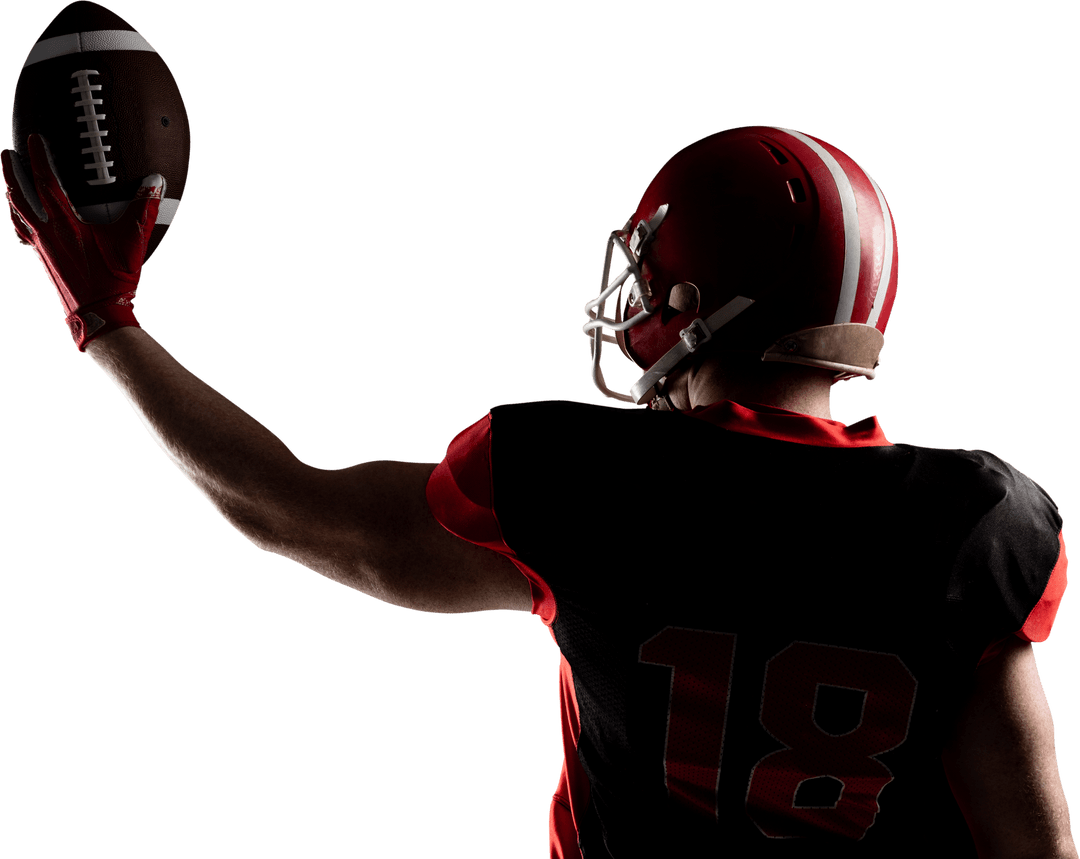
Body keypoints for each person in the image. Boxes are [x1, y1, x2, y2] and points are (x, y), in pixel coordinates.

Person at [2, 125, 1075, 858]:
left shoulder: (585, 483)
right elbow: (1033, 844)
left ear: (693, 295)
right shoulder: (975, 525)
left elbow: (282, 503)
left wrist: (109, 325)